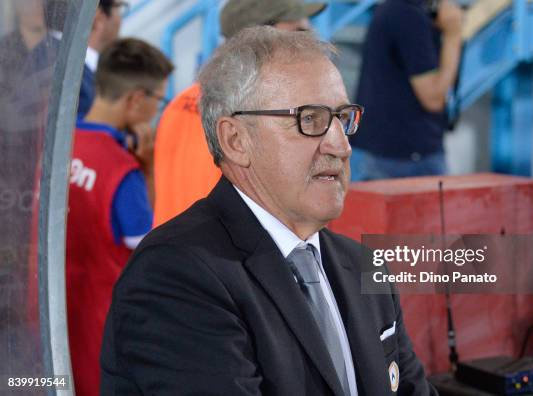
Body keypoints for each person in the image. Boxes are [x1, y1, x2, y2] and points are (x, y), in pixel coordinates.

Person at [101, 27, 436, 395]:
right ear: (235, 140)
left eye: (342, 118)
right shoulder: (174, 275)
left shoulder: (363, 266)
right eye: (310, 119)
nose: (341, 146)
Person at [153, 0, 326, 226]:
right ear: (259, 38)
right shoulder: (260, 116)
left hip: (176, 247)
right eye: (299, 32)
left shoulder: (181, 101)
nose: (311, 37)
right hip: (217, 252)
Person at [66, 38, 173, 396]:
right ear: (137, 99)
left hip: (50, 322)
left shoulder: (61, 144)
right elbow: (151, 253)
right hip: (98, 336)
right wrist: (148, 171)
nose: (157, 110)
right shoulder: (121, 171)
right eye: (159, 100)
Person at [350, 0, 464, 180]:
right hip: (405, 158)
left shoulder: (395, 9)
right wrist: (453, 34)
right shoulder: (408, 15)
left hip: (386, 151)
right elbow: (433, 99)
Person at [77, 0, 126, 118]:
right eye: (118, 9)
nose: (121, 20)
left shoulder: (86, 71)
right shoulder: (76, 80)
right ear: (98, 16)